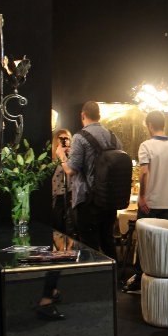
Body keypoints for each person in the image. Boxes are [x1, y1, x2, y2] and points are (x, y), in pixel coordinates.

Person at [122, 110, 168, 293]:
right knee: (164, 244)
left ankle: (140, 281)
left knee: (144, 243)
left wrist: (141, 197)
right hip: (167, 203)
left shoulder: (146, 145)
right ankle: (163, 281)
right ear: (163, 124)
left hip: (150, 204)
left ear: (149, 125)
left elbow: (144, 173)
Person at [56, 101, 123, 259]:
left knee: (88, 245)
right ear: (99, 116)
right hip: (108, 200)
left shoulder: (80, 137)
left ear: (83, 115)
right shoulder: (114, 137)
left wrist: (61, 155)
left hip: (87, 201)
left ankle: (92, 274)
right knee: (108, 241)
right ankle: (113, 273)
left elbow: (70, 170)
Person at [37, 129, 74, 321]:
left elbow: (72, 176)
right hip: (57, 208)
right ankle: (46, 298)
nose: (65, 142)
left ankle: (51, 290)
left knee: (63, 251)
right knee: (59, 253)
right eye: (62, 140)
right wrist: (61, 157)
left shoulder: (69, 160)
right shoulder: (52, 163)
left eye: (68, 139)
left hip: (66, 205)